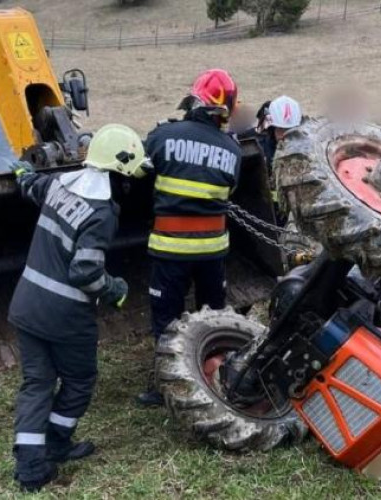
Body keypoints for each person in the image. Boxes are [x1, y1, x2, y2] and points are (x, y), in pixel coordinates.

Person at [8, 124, 149, 492]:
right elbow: (85, 271)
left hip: (26, 306)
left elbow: (32, 186)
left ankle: (30, 467)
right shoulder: (101, 213)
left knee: (37, 383)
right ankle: (56, 443)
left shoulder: (60, 185)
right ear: (119, 173)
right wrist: (115, 289)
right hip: (65, 317)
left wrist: (23, 172)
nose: (130, 185)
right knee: (79, 379)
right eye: (129, 177)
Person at [137, 69, 242, 406]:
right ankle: (214, 377)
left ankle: (167, 387)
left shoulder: (162, 136)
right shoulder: (232, 150)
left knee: (167, 321)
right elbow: (230, 191)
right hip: (213, 252)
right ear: (225, 111)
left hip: (170, 250)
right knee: (212, 316)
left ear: (193, 99)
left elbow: (140, 175)